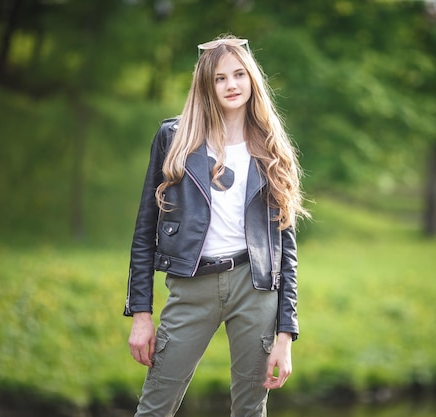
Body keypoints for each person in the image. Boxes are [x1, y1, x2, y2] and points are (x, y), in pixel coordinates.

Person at [124, 34, 309, 417]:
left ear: (251, 80)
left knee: (250, 410)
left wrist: (286, 335)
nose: (231, 85)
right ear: (206, 84)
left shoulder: (271, 147)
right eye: (220, 78)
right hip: (192, 287)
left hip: (253, 287)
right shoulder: (174, 138)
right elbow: (145, 231)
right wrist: (141, 314)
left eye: (239, 74)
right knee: (154, 407)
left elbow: (284, 247)